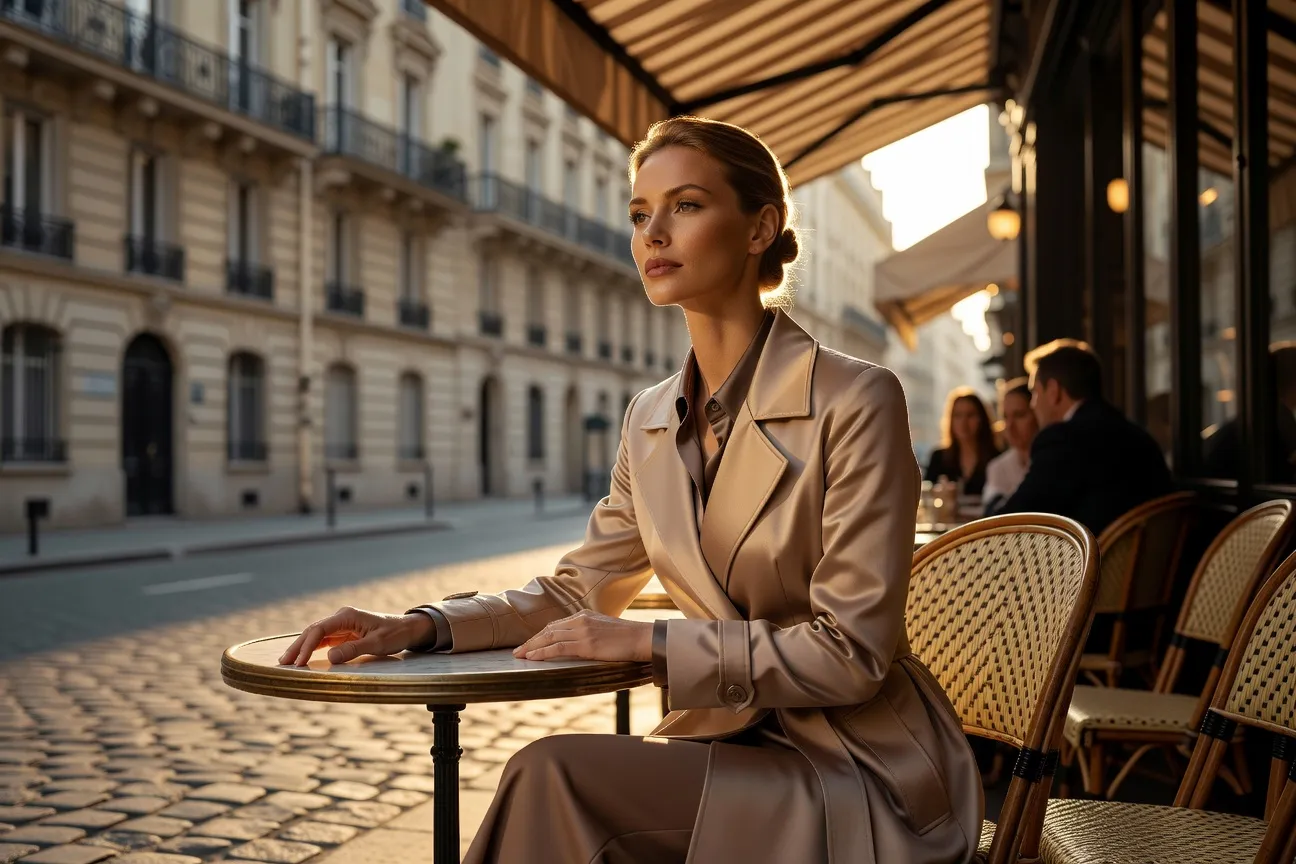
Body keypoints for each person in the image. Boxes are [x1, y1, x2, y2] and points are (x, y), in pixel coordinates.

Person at [278, 117, 982, 864]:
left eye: (685, 206)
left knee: (552, 775)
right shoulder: (650, 417)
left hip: (862, 770)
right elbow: (576, 592)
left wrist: (650, 641)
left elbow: (851, 655)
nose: (653, 234)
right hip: (731, 746)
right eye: (640, 214)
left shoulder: (858, 397)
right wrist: (419, 625)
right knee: (552, 781)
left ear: (759, 228)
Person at [996, 339, 1173, 535]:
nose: (1032, 404)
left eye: (1035, 392)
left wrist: (988, 509)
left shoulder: (1063, 440)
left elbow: (1015, 516)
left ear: (1054, 391)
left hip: (1092, 563)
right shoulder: (1138, 436)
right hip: (1154, 562)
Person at [923, 388, 999, 496]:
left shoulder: (995, 459)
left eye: (970, 415)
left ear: (982, 419)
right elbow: (927, 494)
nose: (964, 422)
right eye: (958, 416)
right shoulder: (939, 457)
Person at [982, 378, 1038, 513]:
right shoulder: (997, 467)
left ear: (1038, 414)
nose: (1010, 426)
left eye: (1019, 415)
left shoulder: (1052, 462)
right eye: (1006, 417)